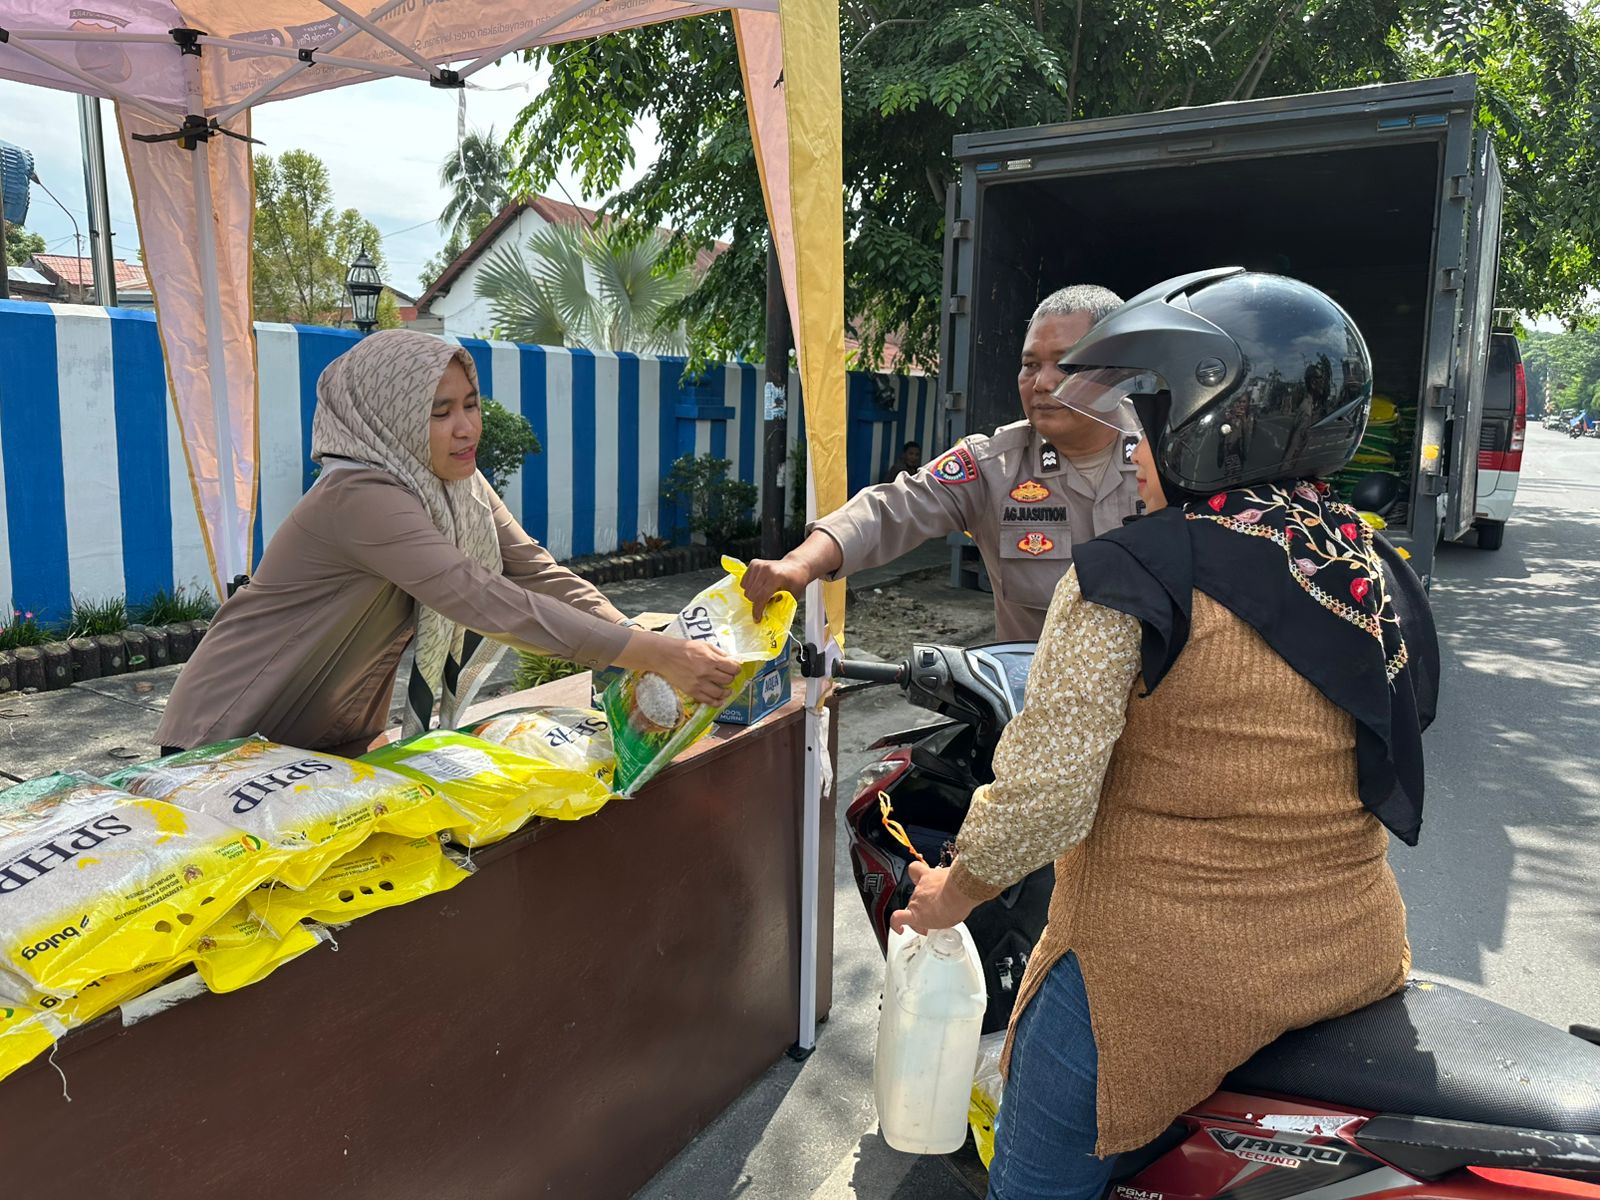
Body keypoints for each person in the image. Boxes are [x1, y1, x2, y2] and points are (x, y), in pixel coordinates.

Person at [888, 269, 1439, 1200]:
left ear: (1211, 422)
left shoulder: (1131, 573)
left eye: (1148, 418)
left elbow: (1046, 797)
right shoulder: (1367, 562)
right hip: (1351, 954)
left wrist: (949, 895)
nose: (1134, 446)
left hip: (1155, 980)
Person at [157, 330, 739, 758]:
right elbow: (483, 600)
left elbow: (533, 571)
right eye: (440, 412)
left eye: (470, 404)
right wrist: (653, 656)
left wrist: (639, 641)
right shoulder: (360, 495)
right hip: (223, 735)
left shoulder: (459, 485)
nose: (467, 427)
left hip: (328, 739)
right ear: (388, 417)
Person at [742, 284, 1138, 642]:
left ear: (1116, 369)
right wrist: (798, 564)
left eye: (1066, 364)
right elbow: (892, 508)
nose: (1042, 382)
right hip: (1037, 713)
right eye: (1030, 364)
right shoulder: (994, 466)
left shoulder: (1174, 461)